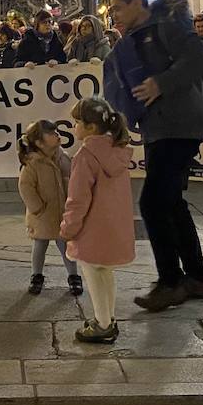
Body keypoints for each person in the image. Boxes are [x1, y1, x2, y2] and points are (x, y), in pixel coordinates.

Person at [103, 0, 203, 312]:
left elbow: (201, 58)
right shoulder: (134, 40)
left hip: (179, 125)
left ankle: (170, 282)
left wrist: (160, 83)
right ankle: (198, 277)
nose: (115, 16)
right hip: (158, 128)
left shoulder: (165, 28)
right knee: (171, 201)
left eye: (119, 9)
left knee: (152, 203)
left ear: (138, 3)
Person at [59, 96, 135, 344]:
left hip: (92, 229)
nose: (74, 127)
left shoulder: (85, 155)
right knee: (106, 273)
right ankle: (109, 319)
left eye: (77, 122)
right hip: (114, 226)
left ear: (90, 127)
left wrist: (69, 227)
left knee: (92, 274)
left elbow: (77, 198)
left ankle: (102, 324)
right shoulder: (118, 151)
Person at [18, 119, 82, 296]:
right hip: (43, 215)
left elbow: (72, 176)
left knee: (66, 247)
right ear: (39, 143)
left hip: (62, 212)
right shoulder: (32, 163)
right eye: (52, 134)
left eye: (57, 132)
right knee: (40, 245)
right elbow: (25, 187)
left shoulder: (62, 157)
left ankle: (73, 276)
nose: (57, 135)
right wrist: (37, 207)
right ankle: (36, 275)